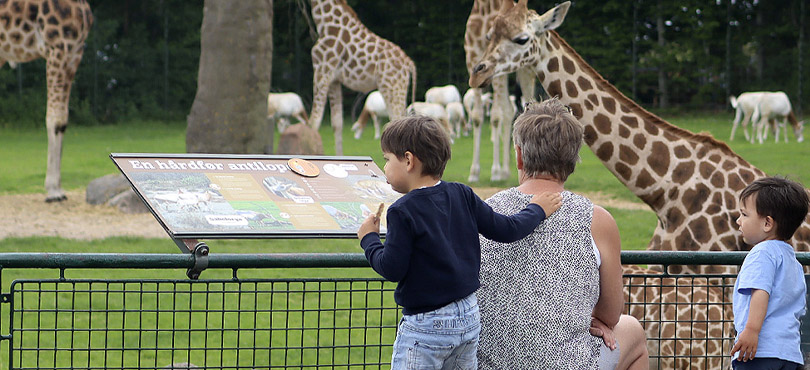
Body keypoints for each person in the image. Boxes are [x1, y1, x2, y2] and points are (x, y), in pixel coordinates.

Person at [357, 115, 562, 370]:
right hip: (468, 318)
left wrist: (369, 239)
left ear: (408, 160)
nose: (384, 168)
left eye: (387, 160)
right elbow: (507, 229)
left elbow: (392, 268)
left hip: (426, 326)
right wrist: (537, 209)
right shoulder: (462, 193)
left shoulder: (402, 211)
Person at [476, 98, 649, 369]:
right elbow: (611, 314)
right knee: (633, 331)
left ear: (519, 155)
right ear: (573, 159)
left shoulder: (485, 211)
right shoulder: (597, 220)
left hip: (486, 362)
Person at [730, 176, 808, 369]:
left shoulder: (761, 253)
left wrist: (751, 331)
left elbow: (761, 292)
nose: (738, 220)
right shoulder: (792, 260)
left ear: (767, 223)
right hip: (789, 354)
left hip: (758, 352)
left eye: (744, 214)